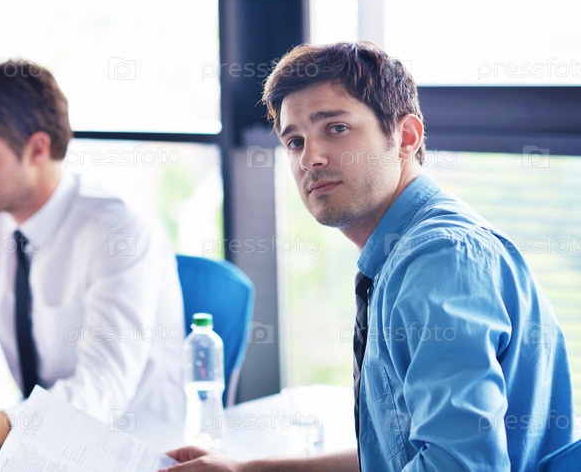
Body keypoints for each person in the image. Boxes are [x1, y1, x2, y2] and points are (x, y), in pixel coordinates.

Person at [163, 42, 574, 471]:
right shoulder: (402, 252)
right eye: (295, 141)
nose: (310, 158)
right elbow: (398, 454)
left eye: (336, 128)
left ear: (406, 137)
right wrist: (247, 470)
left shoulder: (439, 258)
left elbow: (460, 465)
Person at [0, 59, 185, 463]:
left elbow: (102, 390)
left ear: (38, 148)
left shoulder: (118, 231)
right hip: (37, 450)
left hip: (133, 449)